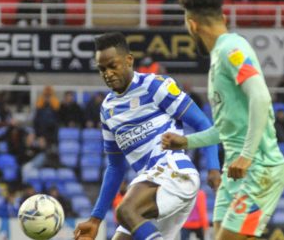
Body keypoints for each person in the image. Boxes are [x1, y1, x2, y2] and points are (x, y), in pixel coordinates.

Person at [161, 0, 284, 239]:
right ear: (224, 17)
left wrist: (247, 156)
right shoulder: (219, 57)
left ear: (192, 24)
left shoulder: (232, 48)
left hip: (259, 168)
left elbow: (260, 97)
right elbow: (226, 129)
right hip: (235, 174)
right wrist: (186, 141)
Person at [74, 32, 221, 240]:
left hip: (174, 171)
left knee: (125, 211)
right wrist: (95, 219)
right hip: (151, 186)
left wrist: (214, 167)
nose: (107, 73)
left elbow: (203, 124)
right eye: (102, 69)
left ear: (129, 60)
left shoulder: (154, 85)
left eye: (112, 66)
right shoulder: (107, 109)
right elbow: (116, 167)